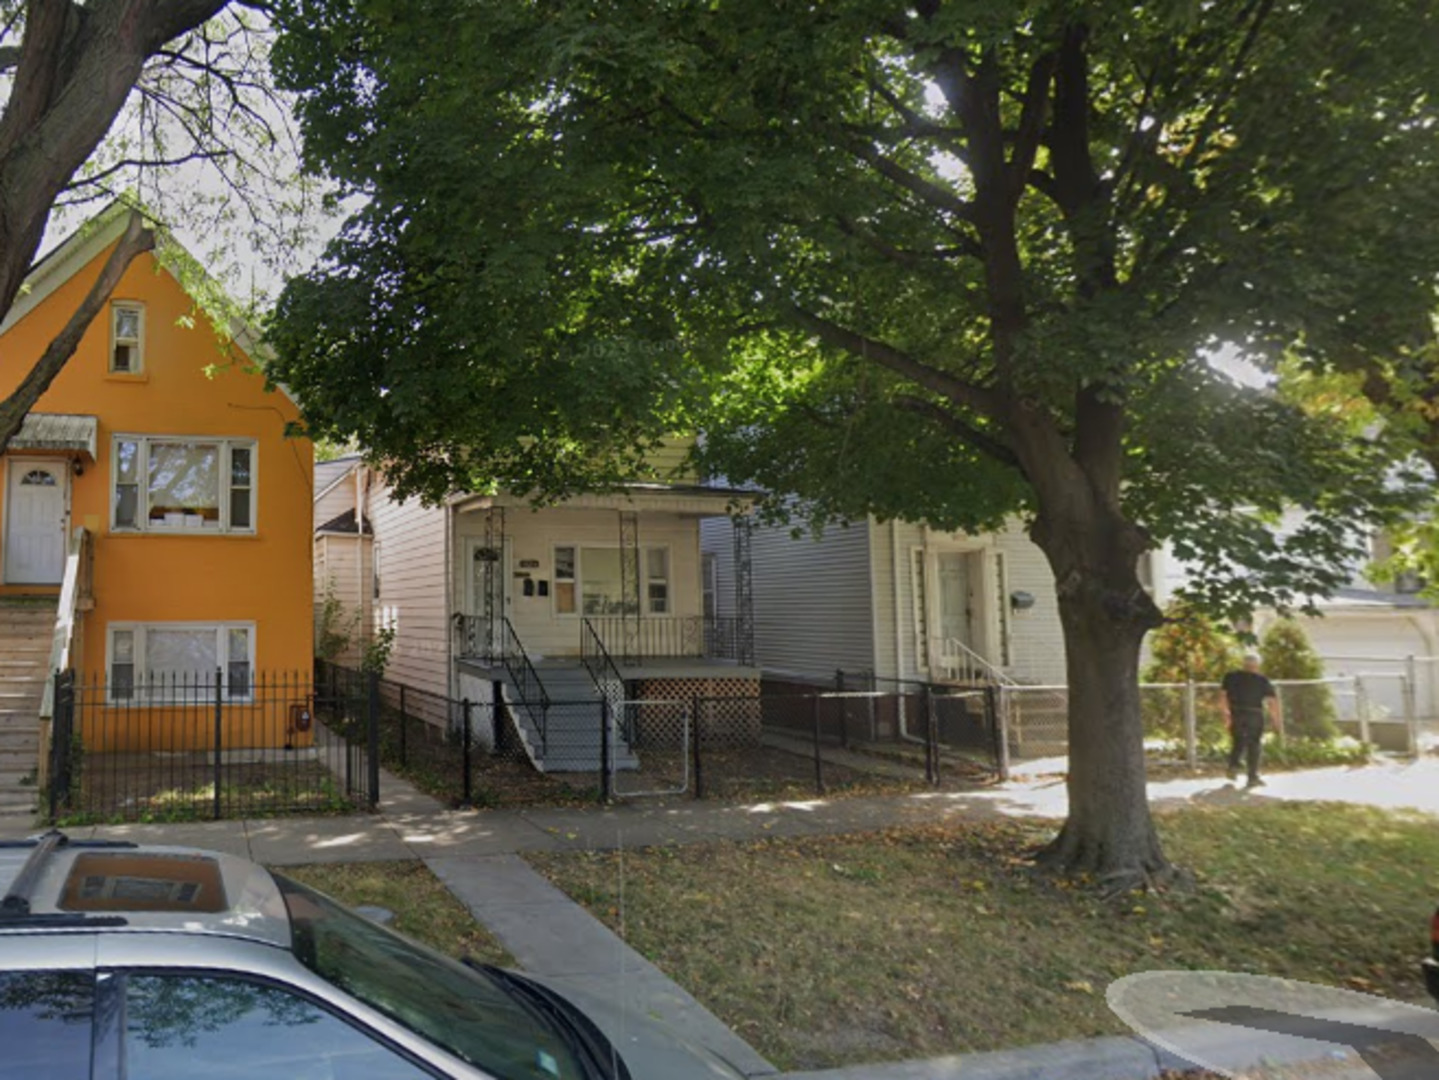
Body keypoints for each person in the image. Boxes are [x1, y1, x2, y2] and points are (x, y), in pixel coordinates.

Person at [1221, 652, 1280, 788]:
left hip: (1236, 712)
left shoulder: (1231, 677)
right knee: (1254, 745)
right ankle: (1252, 777)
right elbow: (1271, 701)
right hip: (1254, 714)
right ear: (1257, 665)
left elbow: (1222, 696)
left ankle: (1233, 765)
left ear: (1244, 664)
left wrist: (1226, 714)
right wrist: (1275, 720)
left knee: (1238, 740)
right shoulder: (1261, 680)